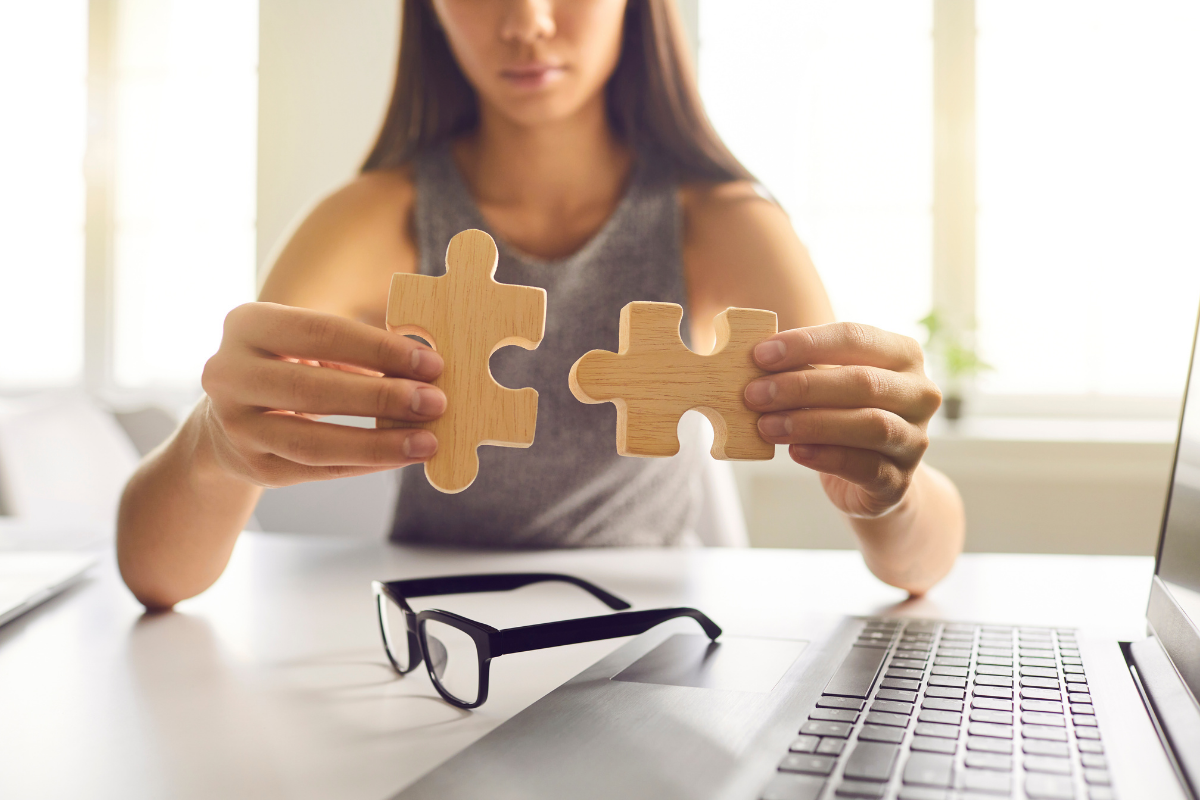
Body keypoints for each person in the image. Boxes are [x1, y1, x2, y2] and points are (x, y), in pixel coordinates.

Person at [117, 0, 964, 610]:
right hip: (436, 636)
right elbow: (157, 577)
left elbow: (917, 566)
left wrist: (888, 490)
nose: (525, 20)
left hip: (650, 637)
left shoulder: (722, 221)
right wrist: (212, 446)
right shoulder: (370, 219)